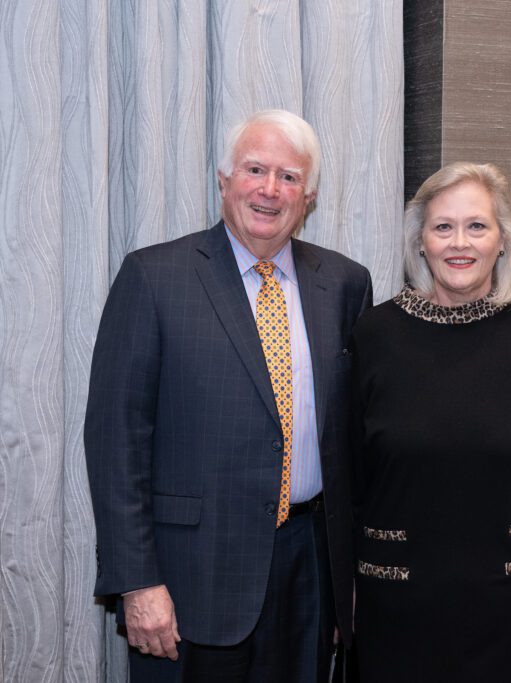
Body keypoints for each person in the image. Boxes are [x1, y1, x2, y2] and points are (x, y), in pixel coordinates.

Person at [84, 109, 372, 682]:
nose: (270, 190)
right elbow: (116, 441)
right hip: (191, 579)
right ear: (223, 180)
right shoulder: (154, 277)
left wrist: (347, 589)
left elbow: (355, 439)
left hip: (310, 570)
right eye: (255, 170)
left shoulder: (344, 283)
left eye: (289, 177)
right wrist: (138, 583)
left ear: (309, 196)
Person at [351, 162, 511, 682]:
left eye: (477, 226)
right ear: (420, 243)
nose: (460, 243)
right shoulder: (374, 335)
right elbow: (348, 473)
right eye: (443, 227)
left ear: (503, 240)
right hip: (398, 607)